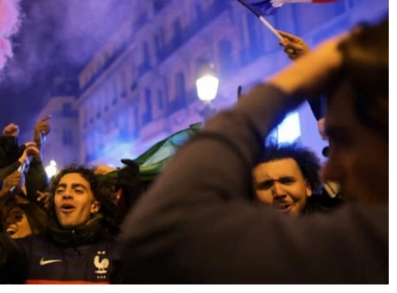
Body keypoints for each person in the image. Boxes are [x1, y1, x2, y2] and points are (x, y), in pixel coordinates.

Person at [120, 20, 388, 283]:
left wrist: (295, 80)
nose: (329, 169)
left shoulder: (351, 242)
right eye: (265, 184)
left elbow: (156, 233)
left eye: (345, 140)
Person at [0, 130, 120, 283]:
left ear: (95, 206)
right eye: (60, 190)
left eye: (78, 190)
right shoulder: (29, 250)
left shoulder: (116, 252)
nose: (67, 194)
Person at [252, 143, 336, 216]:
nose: (278, 192)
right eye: (266, 185)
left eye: (287, 181)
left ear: (307, 187)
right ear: (253, 197)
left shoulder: (340, 225)